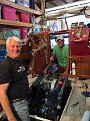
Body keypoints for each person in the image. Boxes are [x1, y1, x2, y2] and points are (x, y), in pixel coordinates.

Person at [0, 36, 30, 121]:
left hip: (24, 101)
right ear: (7, 48)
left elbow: (25, 72)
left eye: (18, 46)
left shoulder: (18, 60)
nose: (16, 49)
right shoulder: (5, 65)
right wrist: (11, 117)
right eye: (13, 46)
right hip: (17, 105)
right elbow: (2, 94)